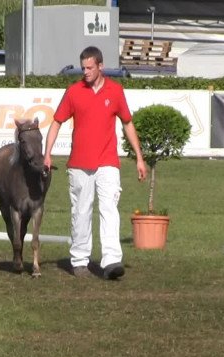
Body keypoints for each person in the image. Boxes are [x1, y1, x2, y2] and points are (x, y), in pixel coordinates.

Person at [44, 46, 147, 280]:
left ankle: (111, 261)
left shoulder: (116, 91)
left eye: (90, 68)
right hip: (79, 164)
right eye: (83, 68)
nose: (86, 72)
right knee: (81, 211)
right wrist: (47, 153)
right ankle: (80, 260)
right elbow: (57, 122)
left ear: (101, 66)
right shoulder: (73, 92)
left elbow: (128, 123)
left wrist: (139, 158)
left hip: (108, 161)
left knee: (110, 209)